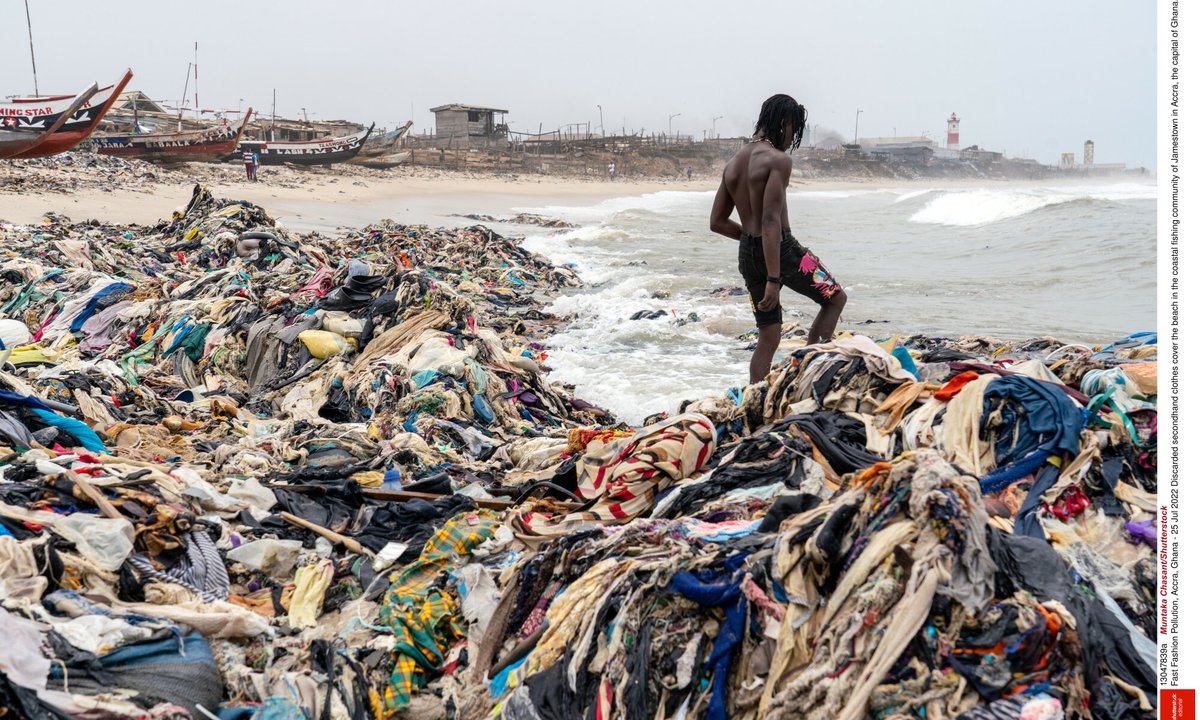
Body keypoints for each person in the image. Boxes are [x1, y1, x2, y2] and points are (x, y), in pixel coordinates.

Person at [709, 94, 847, 384]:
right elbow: (771, 220)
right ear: (783, 123)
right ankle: (808, 376)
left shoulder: (733, 164)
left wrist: (752, 243)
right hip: (783, 251)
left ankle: (755, 402)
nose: (792, 138)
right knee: (835, 298)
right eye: (794, 130)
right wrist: (773, 277)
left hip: (748, 254)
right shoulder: (777, 160)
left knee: (768, 335)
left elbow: (717, 223)